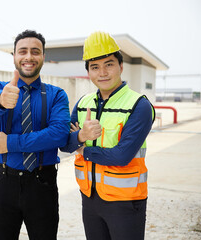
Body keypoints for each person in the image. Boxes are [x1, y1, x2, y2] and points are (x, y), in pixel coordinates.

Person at [61, 31, 155, 240]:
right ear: (88, 72)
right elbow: (64, 145)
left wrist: (83, 148)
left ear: (121, 67)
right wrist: (80, 136)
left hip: (126, 202)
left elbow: (122, 156)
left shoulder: (138, 105)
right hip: (90, 198)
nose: (102, 72)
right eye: (95, 67)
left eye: (109, 64)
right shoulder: (83, 103)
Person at [0, 30, 70, 240]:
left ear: (43, 57)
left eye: (35, 52)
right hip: (3, 181)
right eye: (22, 51)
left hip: (42, 183)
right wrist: (2, 100)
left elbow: (58, 135)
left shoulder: (57, 94)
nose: (29, 57)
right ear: (14, 56)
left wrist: (10, 143)